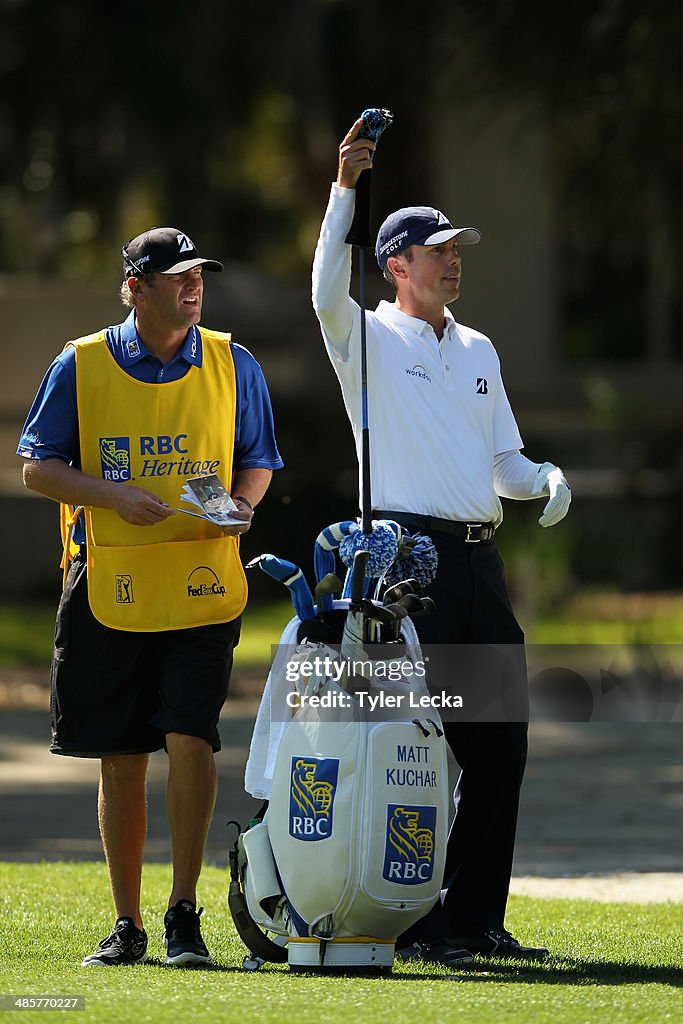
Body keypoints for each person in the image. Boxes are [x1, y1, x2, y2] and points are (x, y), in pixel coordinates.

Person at [312, 120, 571, 967]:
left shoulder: (478, 347)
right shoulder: (365, 338)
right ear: (395, 265)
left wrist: (541, 482)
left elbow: (500, 461)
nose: (452, 260)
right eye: (436, 251)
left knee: (501, 742)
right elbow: (322, 293)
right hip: (403, 562)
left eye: (456, 249)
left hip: (477, 558)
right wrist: (345, 188)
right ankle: (411, 917)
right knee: (416, 745)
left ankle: (469, 920)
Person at [17, 226, 283, 967]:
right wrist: (110, 496)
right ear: (136, 288)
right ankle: (127, 923)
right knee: (123, 755)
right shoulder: (82, 363)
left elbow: (258, 459)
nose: (193, 287)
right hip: (109, 578)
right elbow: (37, 467)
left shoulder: (235, 361)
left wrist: (242, 504)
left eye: (199, 274)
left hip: (202, 579)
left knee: (190, 738)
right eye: (176, 277)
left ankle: (183, 915)